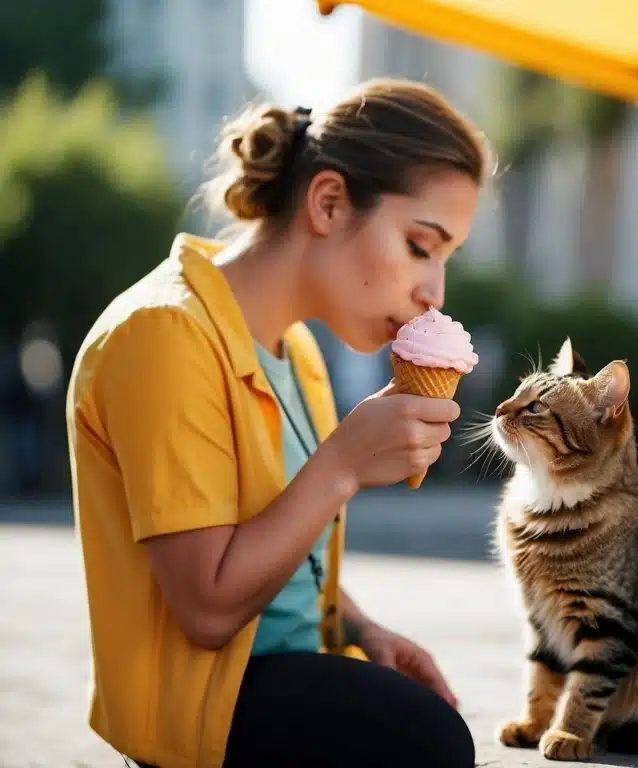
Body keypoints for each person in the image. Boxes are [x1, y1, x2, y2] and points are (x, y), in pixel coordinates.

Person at [65, 77, 491, 768]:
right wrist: (344, 465)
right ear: (327, 202)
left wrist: (358, 626)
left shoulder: (296, 352)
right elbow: (205, 611)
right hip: (201, 715)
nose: (433, 291)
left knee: (424, 723)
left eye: (445, 258)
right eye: (421, 245)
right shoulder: (162, 334)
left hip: (279, 676)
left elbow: (273, 538)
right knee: (426, 740)